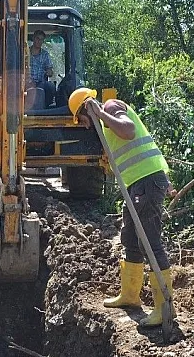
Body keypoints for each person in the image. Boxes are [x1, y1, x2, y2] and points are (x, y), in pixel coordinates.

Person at [68, 87, 177, 327]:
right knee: (129, 237)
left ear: (87, 107)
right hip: (137, 184)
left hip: (146, 182)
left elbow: (128, 130)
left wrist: (100, 113)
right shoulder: (105, 124)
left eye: (83, 119)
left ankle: (164, 306)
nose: (85, 125)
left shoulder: (111, 108)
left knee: (149, 241)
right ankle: (130, 295)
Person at [29, 30, 56, 107]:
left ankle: (45, 107)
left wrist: (49, 71)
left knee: (50, 87)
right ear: (33, 38)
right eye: (38, 38)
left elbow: (50, 70)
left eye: (41, 40)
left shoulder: (45, 54)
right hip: (27, 82)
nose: (39, 41)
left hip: (41, 82)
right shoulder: (25, 52)